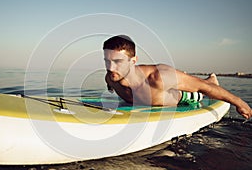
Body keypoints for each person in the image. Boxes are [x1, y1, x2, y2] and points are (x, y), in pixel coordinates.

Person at [103, 35, 252, 119]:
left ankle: (211, 79)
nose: (111, 67)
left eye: (118, 62)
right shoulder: (111, 77)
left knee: (201, 88)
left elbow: (203, 88)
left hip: (185, 97)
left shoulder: (158, 77)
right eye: (107, 61)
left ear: (133, 61)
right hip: (154, 100)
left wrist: (239, 103)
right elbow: (110, 81)